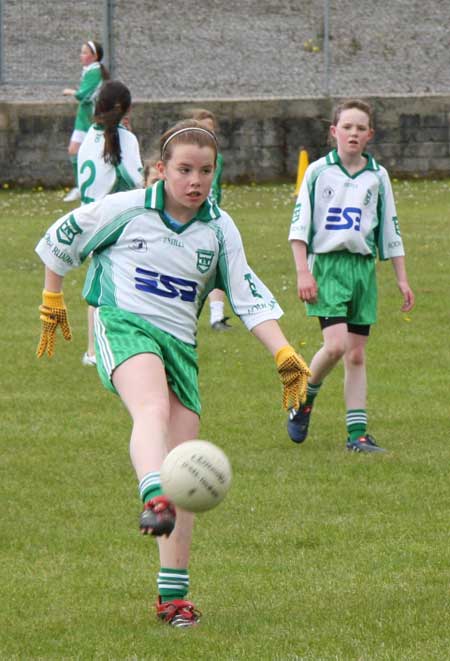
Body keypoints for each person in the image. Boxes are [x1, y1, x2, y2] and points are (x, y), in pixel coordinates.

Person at [35, 120, 311, 627]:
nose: (195, 180)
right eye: (184, 169)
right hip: (123, 325)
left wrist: (283, 352)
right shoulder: (128, 209)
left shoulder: (218, 227)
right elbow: (62, 236)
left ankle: (173, 600)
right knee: (152, 409)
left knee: (184, 470)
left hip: (180, 347)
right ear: (160, 170)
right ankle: (152, 493)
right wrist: (53, 296)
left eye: (205, 170)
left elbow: (247, 294)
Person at [287, 98, 415, 453]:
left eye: (361, 128)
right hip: (327, 267)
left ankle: (356, 436)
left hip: (362, 269)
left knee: (356, 355)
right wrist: (303, 272)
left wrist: (401, 278)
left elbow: (390, 229)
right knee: (336, 346)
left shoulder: (378, 176)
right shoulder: (317, 172)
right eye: (347, 127)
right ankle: (302, 395)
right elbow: (299, 227)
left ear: (370, 134)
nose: (353, 133)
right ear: (334, 132)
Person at [77, 79, 144, 366]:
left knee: (100, 285)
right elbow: (134, 180)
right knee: (132, 283)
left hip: (89, 219)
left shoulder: (87, 140)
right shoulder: (124, 139)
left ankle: (93, 350)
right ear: (126, 110)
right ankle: (119, 347)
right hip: (116, 220)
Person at [189, 108, 230, 331]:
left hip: (211, 221)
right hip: (191, 220)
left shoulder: (218, 159)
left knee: (218, 268)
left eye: (212, 131)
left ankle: (216, 317)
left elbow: (217, 188)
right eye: (205, 130)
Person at [62, 40, 109, 202]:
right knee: (73, 150)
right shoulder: (89, 71)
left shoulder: (95, 71)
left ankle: (94, 187)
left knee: (96, 153)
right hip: (82, 117)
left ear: (94, 56)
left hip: (91, 118)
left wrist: (71, 92)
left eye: (84, 52)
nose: (81, 56)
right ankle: (80, 187)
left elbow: (85, 95)